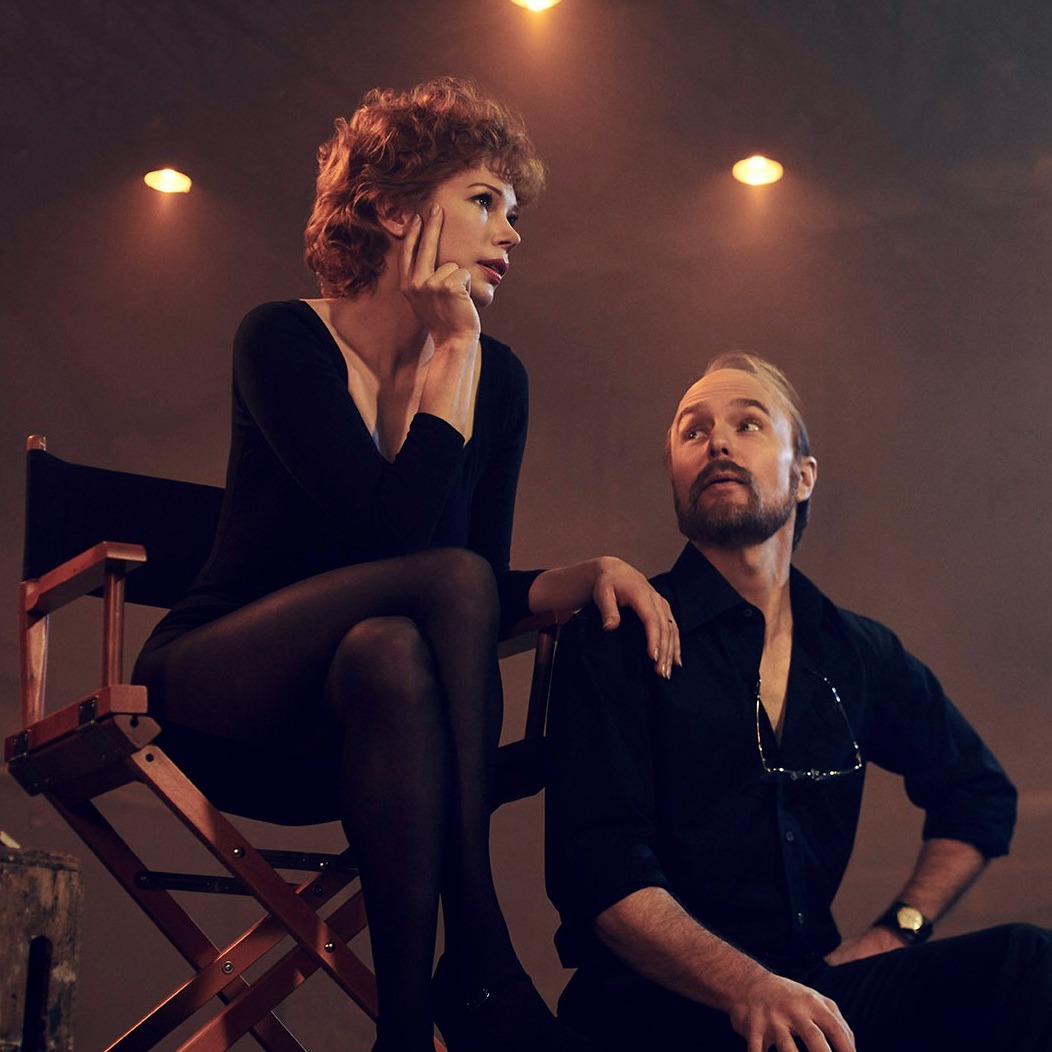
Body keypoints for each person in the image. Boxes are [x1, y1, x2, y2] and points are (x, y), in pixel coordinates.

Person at [133, 77, 679, 1052]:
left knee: (391, 645)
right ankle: (479, 947)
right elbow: (396, 542)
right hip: (219, 695)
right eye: (484, 200)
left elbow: (462, 591)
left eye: (515, 210)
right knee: (435, 590)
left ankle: (407, 1028)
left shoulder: (499, 383)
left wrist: (579, 574)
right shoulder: (283, 339)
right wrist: (455, 349)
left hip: (363, 738)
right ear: (391, 209)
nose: (510, 231)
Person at [545, 351, 1052, 1052]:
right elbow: (602, 877)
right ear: (676, 478)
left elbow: (980, 795)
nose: (718, 442)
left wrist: (896, 932)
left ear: (803, 475)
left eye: (748, 423)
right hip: (654, 1015)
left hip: (810, 998)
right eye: (693, 431)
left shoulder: (855, 650)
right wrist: (749, 988)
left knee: (1026, 966)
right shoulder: (617, 634)